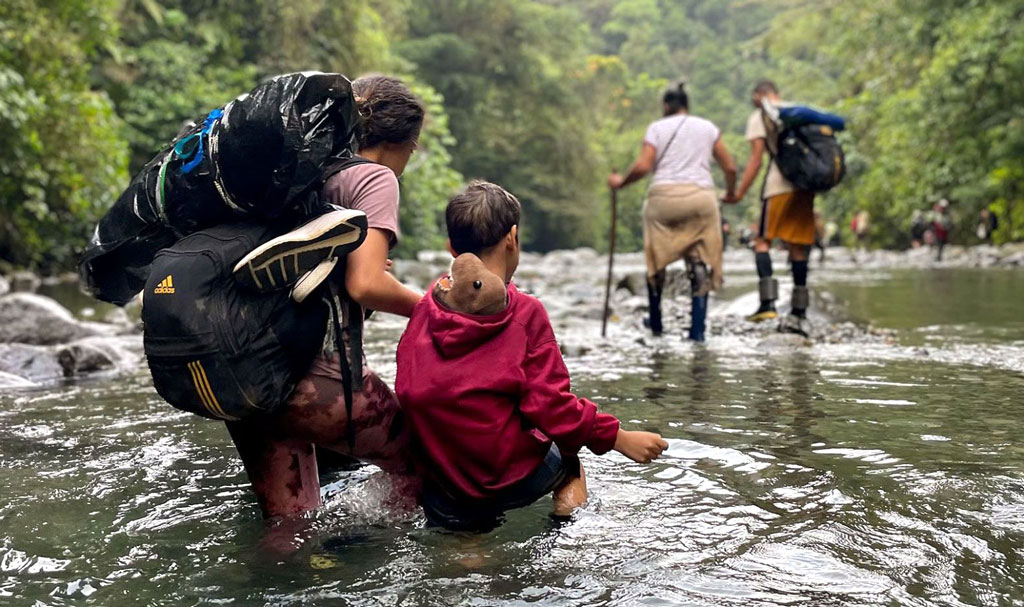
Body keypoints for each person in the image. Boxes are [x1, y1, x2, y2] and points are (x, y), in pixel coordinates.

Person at [395, 182, 668, 531]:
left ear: (451, 247)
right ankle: (565, 533)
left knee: (467, 548)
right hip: (507, 476)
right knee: (571, 461)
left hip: (443, 480)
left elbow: (408, 381)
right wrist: (619, 438)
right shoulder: (525, 313)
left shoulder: (429, 304)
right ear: (513, 237)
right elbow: (551, 406)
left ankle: (471, 547)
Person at [224, 75, 426, 519]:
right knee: (423, 464)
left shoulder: (304, 171)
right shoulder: (375, 178)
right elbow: (366, 285)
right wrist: (434, 309)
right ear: (403, 142)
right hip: (314, 381)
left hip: (249, 378)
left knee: (289, 531)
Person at [607, 81, 738, 341]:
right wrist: (732, 193)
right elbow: (730, 168)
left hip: (663, 199)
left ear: (666, 106)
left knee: (656, 261)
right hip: (700, 198)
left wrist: (621, 182)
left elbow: (644, 166)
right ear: (687, 106)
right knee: (699, 260)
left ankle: (656, 325)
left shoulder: (656, 128)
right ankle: (697, 331)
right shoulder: (708, 128)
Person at [733, 80, 814, 336]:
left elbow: (756, 159)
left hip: (778, 186)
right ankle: (799, 311)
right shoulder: (797, 112)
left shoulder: (762, 115)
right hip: (804, 186)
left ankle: (768, 304)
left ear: (759, 95)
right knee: (798, 245)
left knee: (762, 240)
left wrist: (739, 192)